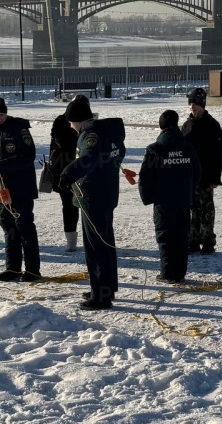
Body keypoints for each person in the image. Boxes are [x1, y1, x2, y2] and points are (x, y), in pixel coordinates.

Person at [58, 95, 126, 309]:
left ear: (77, 120)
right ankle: (106, 287)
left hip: (93, 196)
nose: (70, 126)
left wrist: (68, 174)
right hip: (106, 193)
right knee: (106, 243)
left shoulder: (90, 135)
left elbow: (90, 158)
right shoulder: (108, 132)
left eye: (71, 122)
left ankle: (101, 296)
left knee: (96, 247)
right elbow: (118, 154)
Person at [0, 95, 41, 282]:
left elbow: (28, 155)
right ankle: (12, 267)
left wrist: (2, 165)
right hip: (1, 186)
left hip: (21, 185)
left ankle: (32, 269)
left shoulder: (19, 127)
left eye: (2, 115)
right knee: (8, 226)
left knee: (24, 226)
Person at [138, 109, 200, 284]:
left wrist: (148, 197)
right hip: (183, 200)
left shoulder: (155, 149)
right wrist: (189, 189)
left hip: (164, 202)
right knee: (181, 235)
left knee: (166, 237)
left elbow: (145, 177)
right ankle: (179, 273)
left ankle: (168, 274)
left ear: (161, 126)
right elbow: (197, 171)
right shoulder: (188, 147)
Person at [182, 87, 222, 255]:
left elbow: (218, 154)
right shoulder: (186, 125)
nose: (193, 107)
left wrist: (215, 177)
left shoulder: (212, 125)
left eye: (196, 104)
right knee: (192, 210)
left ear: (203, 105)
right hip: (189, 177)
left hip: (206, 176)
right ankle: (192, 241)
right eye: (191, 104)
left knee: (206, 211)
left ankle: (208, 242)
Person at [49, 112, 80, 252]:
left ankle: (89, 238)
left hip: (76, 169)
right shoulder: (61, 121)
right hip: (64, 170)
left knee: (79, 207)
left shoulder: (89, 123)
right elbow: (57, 144)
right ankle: (71, 241)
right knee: (69, 206)